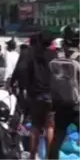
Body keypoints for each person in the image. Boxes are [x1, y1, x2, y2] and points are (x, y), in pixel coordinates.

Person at [47, 23, 80, 160]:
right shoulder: (78, 58)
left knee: (58, 137)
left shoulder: (57, 57)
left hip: (60, 104)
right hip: (77, 105)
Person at [26, 30, 57, 160]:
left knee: (35, 127)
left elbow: (28, 74)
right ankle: (49, 156)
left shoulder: (32, 55)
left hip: (36, 95)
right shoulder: (54, 55)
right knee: (50, 126)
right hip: (50, 95)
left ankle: (32, 155)